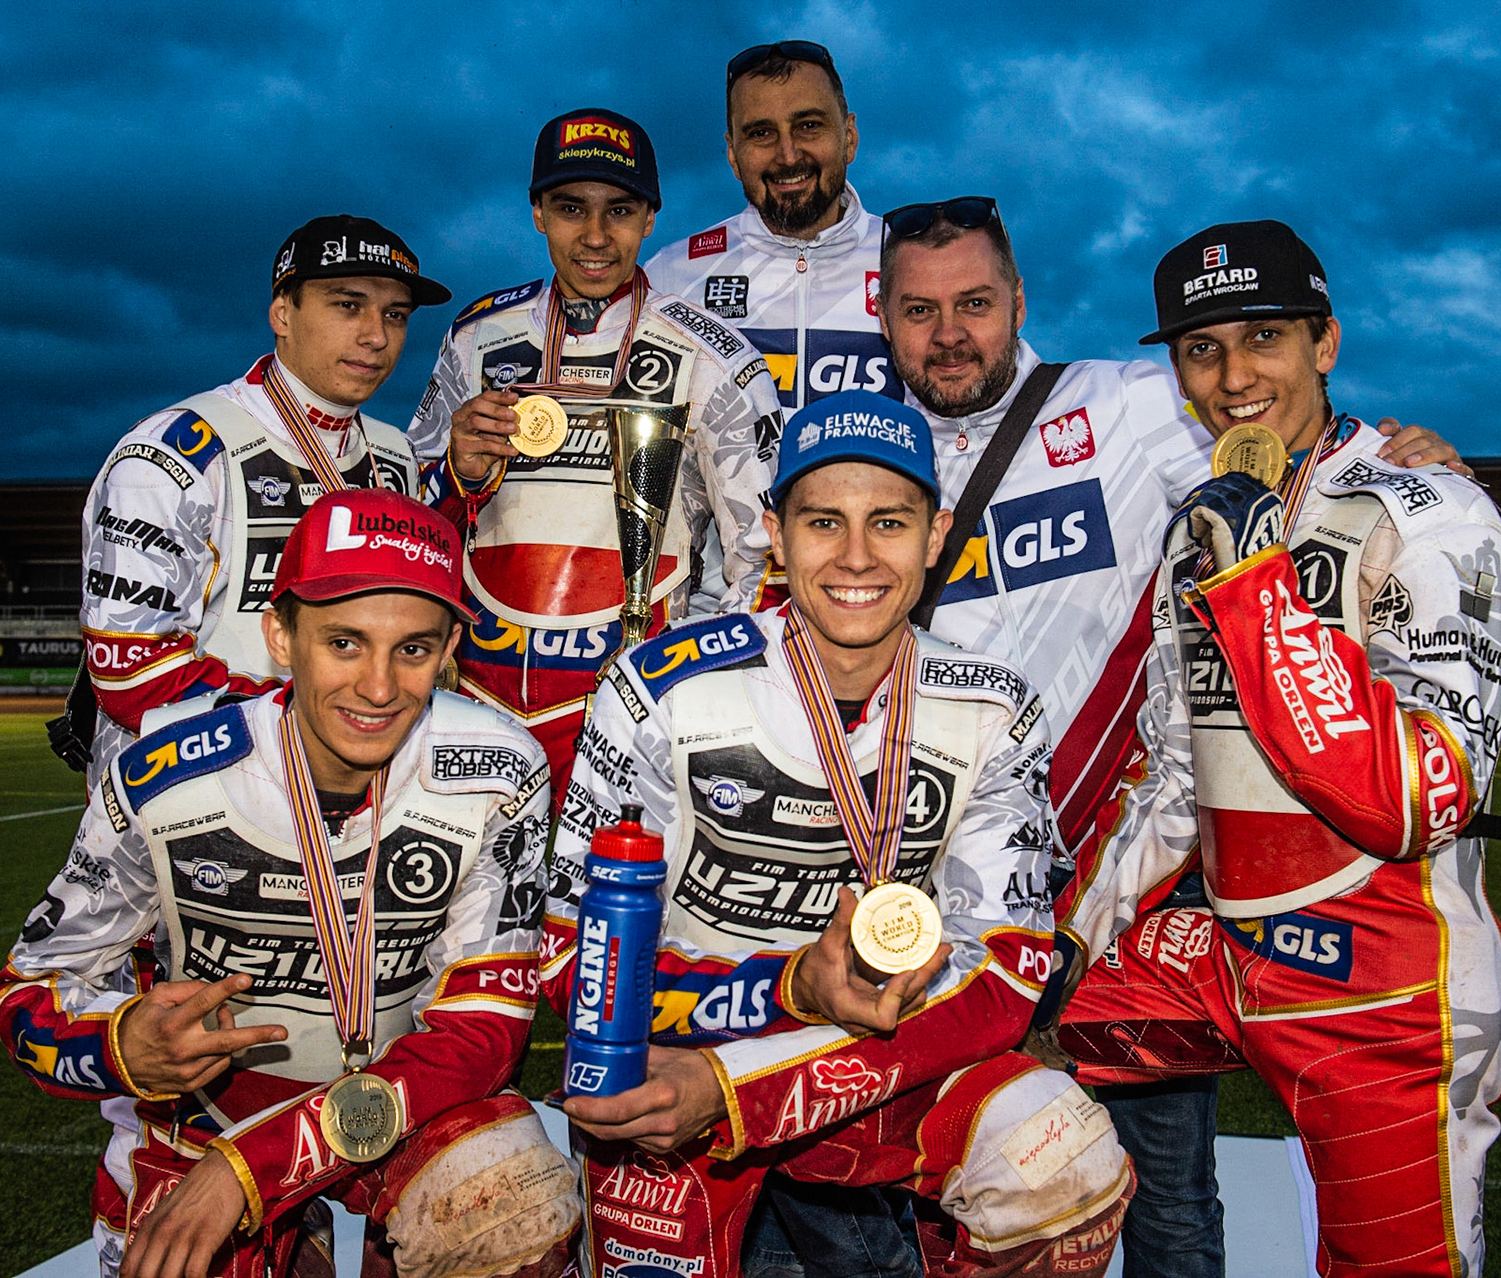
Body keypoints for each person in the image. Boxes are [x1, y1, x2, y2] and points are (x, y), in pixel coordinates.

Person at [875, 199, 1467, 1278]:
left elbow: (1288, 425)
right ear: (884, 315)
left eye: (973, 303)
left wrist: (1407, 462)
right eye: (920, 310)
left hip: (1140, 883)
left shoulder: (1138, 405)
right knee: (940, 1176)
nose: (949, 332)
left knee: (1166, 1194)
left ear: (1018, 303)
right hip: (924, 883)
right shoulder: (849, 440)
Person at [544, 391, 1133, 1278]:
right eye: (824, 521)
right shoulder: (657, 687)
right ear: (774, 536)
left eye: (889, 523)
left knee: (1067, 1163)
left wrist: (748, 1085)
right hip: (676, 1062)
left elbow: (1008, 972)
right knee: (497, 1210)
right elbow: (570, 963)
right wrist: (789, 991)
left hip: (876, 1063)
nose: (856, 557)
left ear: (936, 540)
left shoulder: (992, 707)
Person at [1049, 220, 1501, 1276]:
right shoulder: (1203, 521)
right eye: (1201, 350)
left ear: (1327, 342)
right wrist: (1062, 944)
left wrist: (1260, 588)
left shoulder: (1436, 509)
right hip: (1225, 950)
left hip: (1384, 979)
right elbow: (1176, 773)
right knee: (975, 1021)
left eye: (1263, 336)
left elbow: (1409, 797)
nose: (1233, 376)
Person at [0, 491, 578, 1278]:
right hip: (205, 1120)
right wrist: (119, 1044)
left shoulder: (499, 764)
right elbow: (30, 990)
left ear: (448, 654)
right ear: (280, 635)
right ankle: (288, 1243)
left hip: (410, 1102)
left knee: (515, 1217)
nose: (378, 687)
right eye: (344, 642)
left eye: (413, 649)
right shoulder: (164, 777)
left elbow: (485, 1031)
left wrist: (254, 1170)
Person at [408, 107, 783, 797]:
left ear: (649, 219)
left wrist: (689, 686)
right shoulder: (476, 338)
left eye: (620, 210)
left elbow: (763, 558)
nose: (595, 235)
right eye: (570, 207)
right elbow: (412, 524)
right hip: (479, 700)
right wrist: (456, 469)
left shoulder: (714, 356)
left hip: (635, 708)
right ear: (537, 214)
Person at [59, 215, 445, 785]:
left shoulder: (394, 456)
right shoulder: (176, 454)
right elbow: (129, 674)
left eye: (395, 315)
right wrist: (322, 724)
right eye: (348, 305)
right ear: (282, 313)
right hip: (188, 805)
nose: (377, 336)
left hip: (349, 796)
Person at [646, 41, 890, 416]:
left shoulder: (909, 262)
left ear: (849, 137)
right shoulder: (669, 277)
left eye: (809, 126)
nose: (788, 155)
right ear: (732, 154)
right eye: (761, 133)